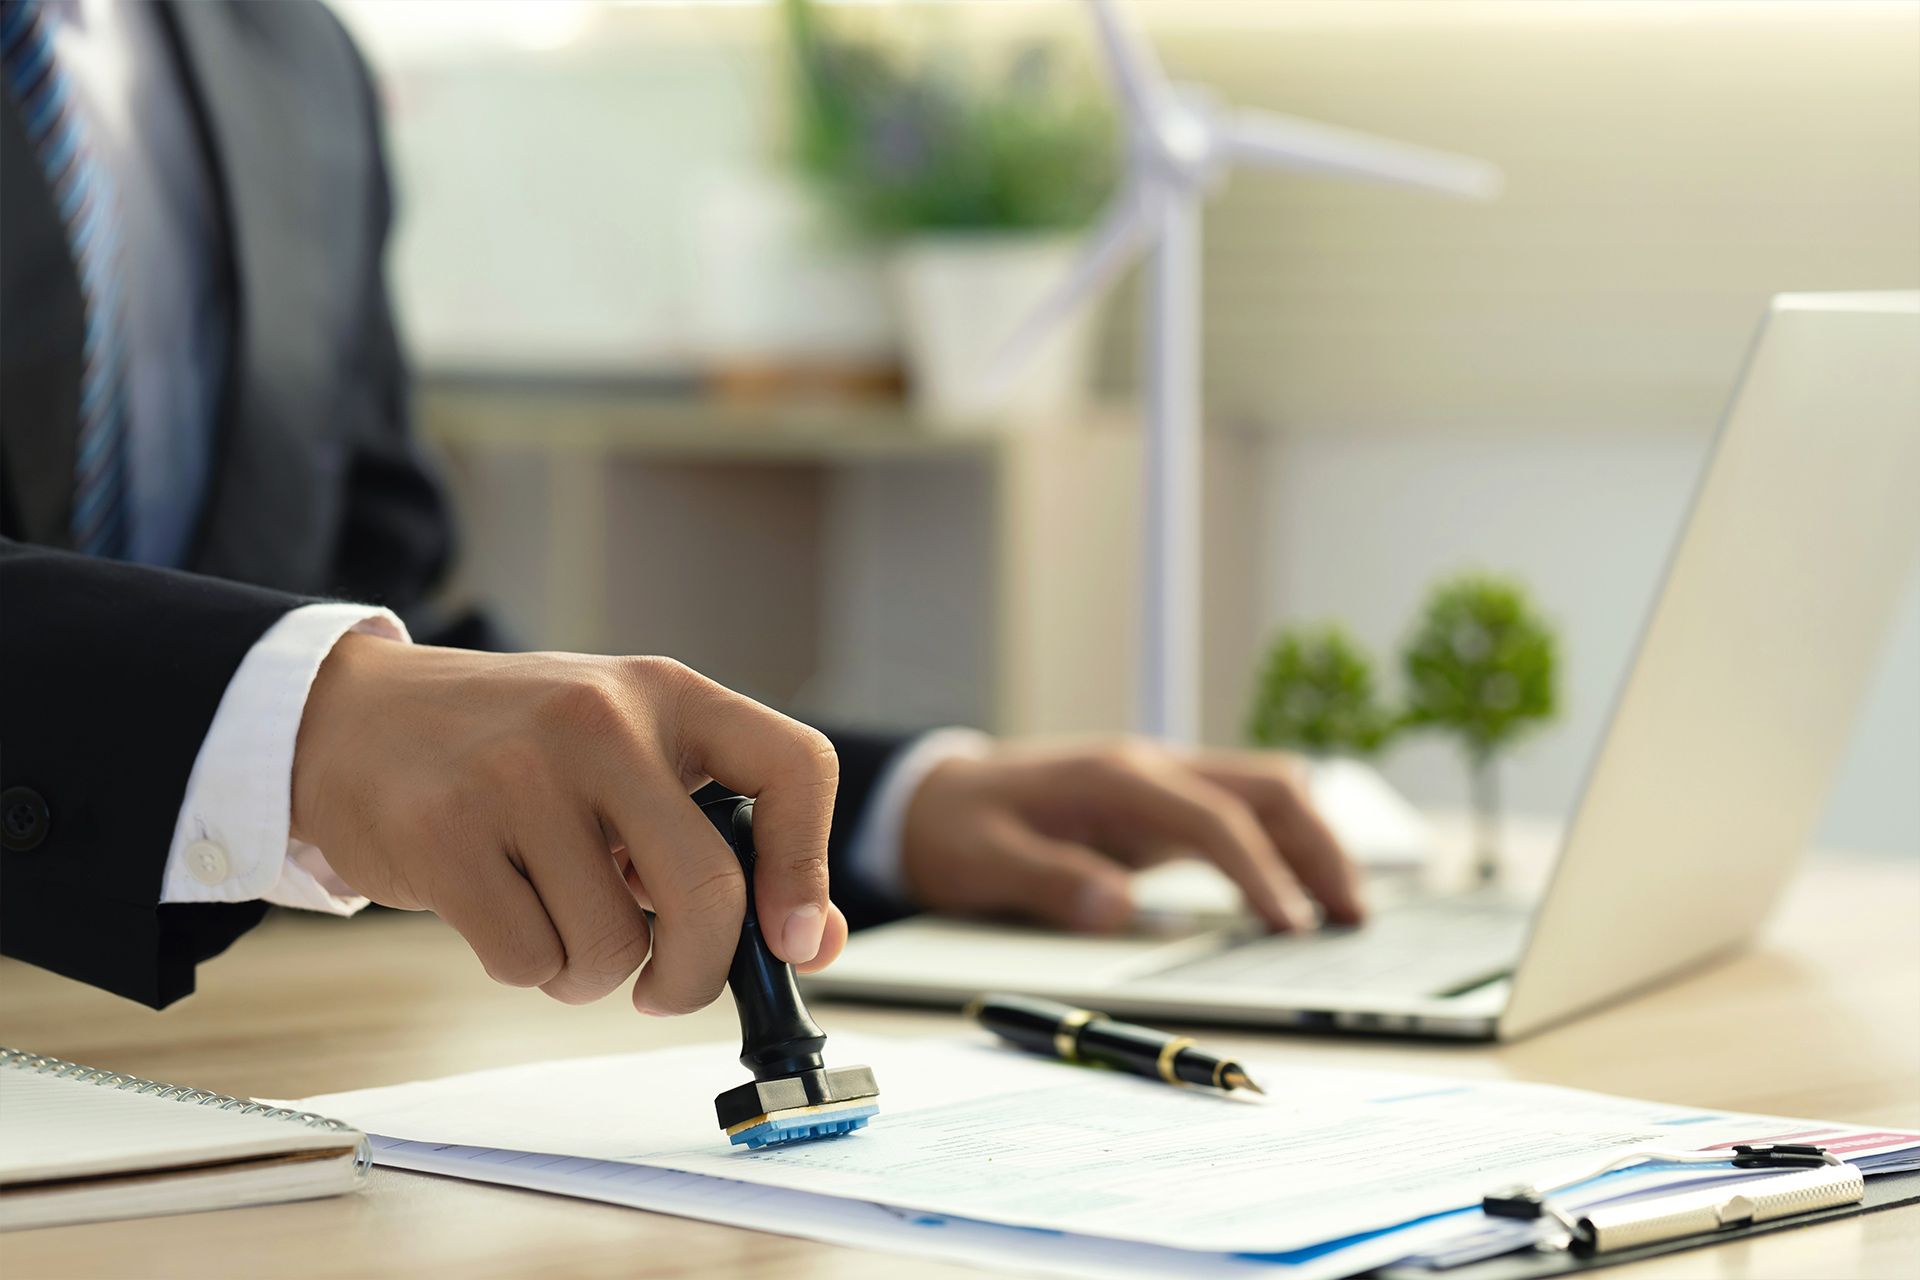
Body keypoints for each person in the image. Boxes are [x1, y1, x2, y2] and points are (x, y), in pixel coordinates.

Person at [0, 0, 1361, 1014]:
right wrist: (309, 720)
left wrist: (882, 807)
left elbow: (402, 648)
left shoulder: (287, 60)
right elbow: (323, 705)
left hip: (209, 1114)